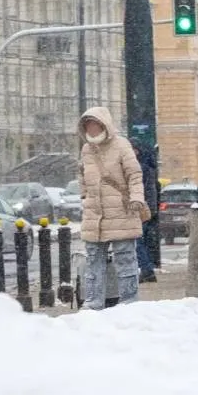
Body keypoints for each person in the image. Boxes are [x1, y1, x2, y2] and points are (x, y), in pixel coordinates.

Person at [77, 107, 147, 309]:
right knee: (93, 260)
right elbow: (82, 174)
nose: (91, 129)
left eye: (94, 125)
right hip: (94, 213)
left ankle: (129, 300)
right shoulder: (86, 150)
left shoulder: (121, 145)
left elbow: (134, 174)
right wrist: (85, 195)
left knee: (125, 257)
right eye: (87, 126)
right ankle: (93, 301)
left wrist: (137, 198)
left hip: (121, 210)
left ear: (104, 125)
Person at [133, 142, 159, 284]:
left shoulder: (140, 168)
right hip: (148, 208)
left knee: (137, 241)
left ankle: (146, 270)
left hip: (142, 208)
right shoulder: (149, 166)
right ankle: (147, 269)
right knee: (142, 241)